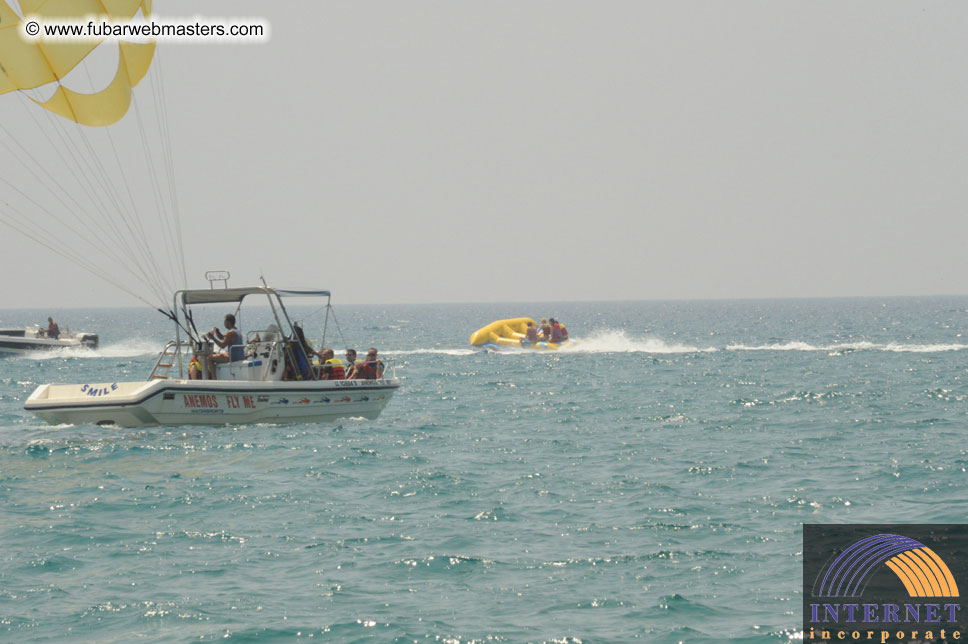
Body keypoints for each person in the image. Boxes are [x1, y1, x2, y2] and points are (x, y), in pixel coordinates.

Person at [207, 313, 242, 378]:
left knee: (209, 358)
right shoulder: (236, 330)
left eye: (224, 321)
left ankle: (214, 379)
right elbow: (222, 338)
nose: (224, 323)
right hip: (238, 356)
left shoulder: (230, 332)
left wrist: (213, 338)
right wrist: (217, 332)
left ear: (228, 321)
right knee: (217, 354)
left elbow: (222, 345)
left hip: (232, 358)